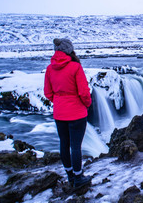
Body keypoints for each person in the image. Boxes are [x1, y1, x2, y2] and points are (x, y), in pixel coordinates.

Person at [44, 38, 92, 188]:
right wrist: (87, 104)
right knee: (76, 146)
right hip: (77, 113)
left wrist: (59, 102)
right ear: (69, 50)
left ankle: (70, 175)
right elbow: (83, 92)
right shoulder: (75, 67)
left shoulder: (50, 68)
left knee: (64, 144)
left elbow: (48, 92)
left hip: (59, 113)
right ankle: (79, 178)